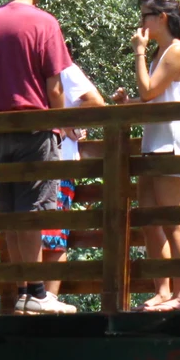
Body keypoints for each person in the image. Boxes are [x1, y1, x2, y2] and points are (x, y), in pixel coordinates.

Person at [0, 0, 77, 314]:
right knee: (34, 211)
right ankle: (36, 291)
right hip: (35, 129)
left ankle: (22, 290)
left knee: (12, 213)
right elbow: (54, 84)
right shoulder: (45, 23)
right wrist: (59, 125)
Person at [128, 0, 180, 312]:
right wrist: (126, 102)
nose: (141, 22)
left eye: (145, 15)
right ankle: (162, 290)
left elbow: (147, 91)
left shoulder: (175, 51)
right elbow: (151, 98)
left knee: (173, 220)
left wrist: (139, 53)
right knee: (150, 221)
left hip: (173, 145)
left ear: (161, 18)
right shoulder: (163, 52)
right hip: (154, 144)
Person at [41, 63, 106, 296]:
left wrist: (65, 123)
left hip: (60, 162)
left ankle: (48, 300)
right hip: (30, 161)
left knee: (54, 237)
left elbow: (97, 103)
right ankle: (30, 300)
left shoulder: (64, 68)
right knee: (28, 235)